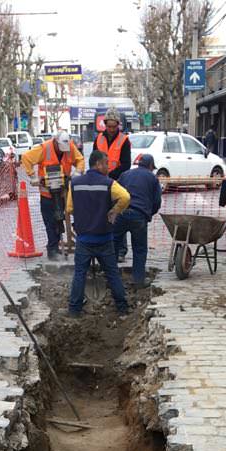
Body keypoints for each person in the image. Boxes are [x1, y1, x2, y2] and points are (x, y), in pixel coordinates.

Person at [67, 150, 131, 317]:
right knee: (112, 273)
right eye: (106, 164)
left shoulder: (75, 183)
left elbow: (69, 208)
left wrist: (83, 215)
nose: (108, 167)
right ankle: (122, 307)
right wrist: (114, 211)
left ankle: (74, 309)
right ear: (98, 164)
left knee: (80, 273)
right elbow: (125, 197)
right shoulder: (109, 184)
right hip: (104, 238)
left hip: (83, 239)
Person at [21, 129, 85, 259]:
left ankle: (62, 243)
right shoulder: (44, 148)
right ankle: (52, 249)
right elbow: (26, 158)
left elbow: (80, 160)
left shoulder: (70, 147)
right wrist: (32, 176)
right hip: (47, 194)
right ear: (55, 142)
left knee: (61, 219)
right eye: (61, 148)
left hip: (63, 193)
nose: (63, 151)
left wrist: (78, 172)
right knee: (50, 222)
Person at [112, 154, 162, 287]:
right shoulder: (152, 178)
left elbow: (114, 193)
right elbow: (157, 202)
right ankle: (138, 280)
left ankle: (111, 278)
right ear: (151, 166)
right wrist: (148, 213)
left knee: (113, 246)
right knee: (139, 249)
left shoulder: (125, 174)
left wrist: (114, 211)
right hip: (139, 215)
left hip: (121, 214)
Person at [95, 109, 131, 180]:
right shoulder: (98, 138)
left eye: (114, 127)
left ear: (118, 125)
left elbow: (126, 165)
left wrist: (110, 175)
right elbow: (94, 160)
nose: (111, 130)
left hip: (117, 180)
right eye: (109, 127)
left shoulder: (124, 140)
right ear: (105, 125)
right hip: (100, 178)